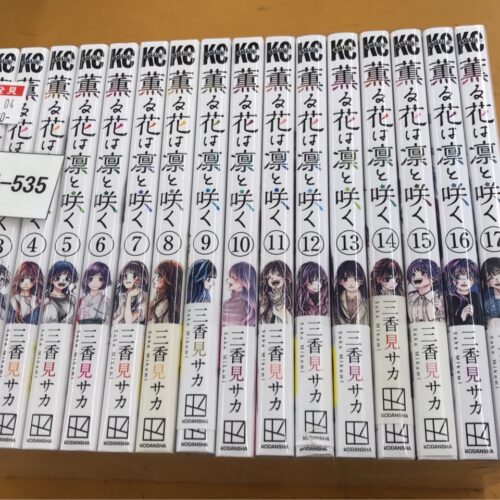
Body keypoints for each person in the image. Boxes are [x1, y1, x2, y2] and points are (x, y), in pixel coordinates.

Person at [444, 258, 483, 326]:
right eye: (458, 277)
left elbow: (480, 321)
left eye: (469, 276)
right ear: (451, 279)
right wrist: (461, 317)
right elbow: (449, 323)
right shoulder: (449, 298)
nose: (464, 281)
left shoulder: (475, 296)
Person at [406, 258, 445, 323]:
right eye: (413, 275)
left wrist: (440, 308)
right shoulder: (410, 297)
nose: (416, 277)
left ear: (433, 277)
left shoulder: (438, 297)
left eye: (423, 274)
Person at [113, 260, 149, 325]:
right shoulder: (121, 295)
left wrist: (129, 297)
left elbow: (129, 321)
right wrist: (120, 315)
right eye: (125, 276)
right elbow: (113, 321)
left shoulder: (144, 296)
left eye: (134, 276)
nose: (128, 279)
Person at [333, 260, 369, 325]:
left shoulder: (366, 300)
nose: (351, 283)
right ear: (340, 281)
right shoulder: (336, 301)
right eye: (345, 279)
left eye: (356, 278)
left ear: (361, 281)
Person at [221, 262, 257, 327]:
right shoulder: (228, 302)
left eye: (233, 277)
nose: (228, 280)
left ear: (245, 280)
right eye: (229, 276)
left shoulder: (240, 304)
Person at [148, 260, 183, 324]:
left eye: (159, 276)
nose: (154, 280)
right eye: (156, 276)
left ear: (169, 280)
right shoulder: (157, 300)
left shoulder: (166, 305)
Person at [258, 260, 293, 324]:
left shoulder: (289, 294)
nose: (273, 279)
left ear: (285, 277)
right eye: (269, 277)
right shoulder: (265, 296)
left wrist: (279, 302)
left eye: (278, 275)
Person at [482, 257, 500, 328]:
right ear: (487, 283)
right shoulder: (487, 302)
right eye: (491, 277)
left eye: (498, 273)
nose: (497, 279)